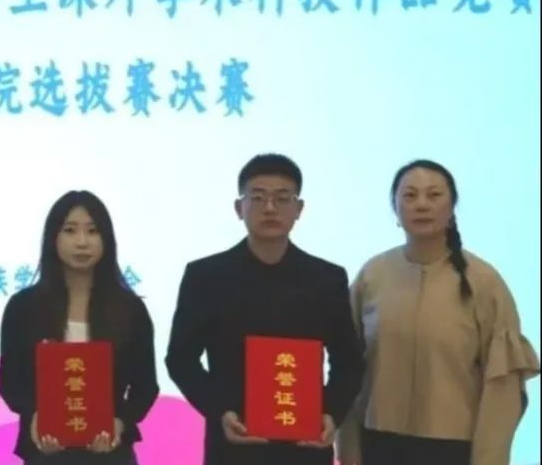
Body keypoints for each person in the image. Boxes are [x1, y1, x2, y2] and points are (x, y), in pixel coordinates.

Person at [337, 159, 540, 465]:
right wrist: (348, 449)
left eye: (434, 195)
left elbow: (503, 386)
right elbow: (347, 368)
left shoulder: (484, 282)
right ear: (395, 209)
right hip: (377, 443)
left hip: (453, 448)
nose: (422, 205)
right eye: (410, 195)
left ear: (451, 208)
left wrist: (489, 459)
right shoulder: (372, 275)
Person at [165, 153, 364, 465]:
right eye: (257, 197)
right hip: (233, 444)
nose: (270, 208)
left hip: (305, 446)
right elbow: (181, 359)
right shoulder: (206, 276)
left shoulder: (326, 278)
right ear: (239, 208)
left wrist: (330, 413)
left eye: (282, 198)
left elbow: (348, 361)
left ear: (299, 209)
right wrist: (220, 411)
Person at [0, 190, 159, 465]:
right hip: (45, 453)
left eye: (92, 231)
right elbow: (10, 383)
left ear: (106, 239)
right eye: (70, 230)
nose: (82, 242)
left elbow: (146, 387)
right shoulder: (24, 308)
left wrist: (120, 422)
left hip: (111, 454)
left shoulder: (130, 309)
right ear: (53, 237)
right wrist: (35, 416)